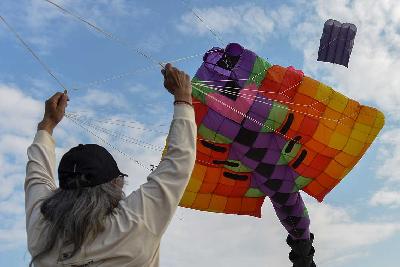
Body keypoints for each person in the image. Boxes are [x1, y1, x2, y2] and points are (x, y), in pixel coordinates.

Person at [25, 64, 196, 267]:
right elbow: (179, 162)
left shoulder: (41, 230)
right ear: (115, 185)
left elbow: (37, 176)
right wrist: (183, 95)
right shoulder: (133, 223)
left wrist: (47, 123)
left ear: (62, 192)